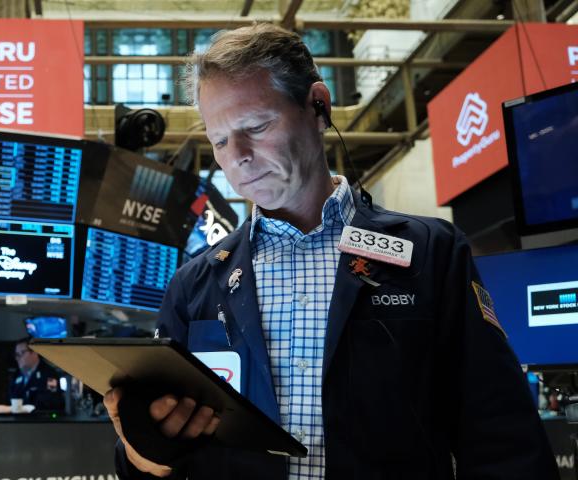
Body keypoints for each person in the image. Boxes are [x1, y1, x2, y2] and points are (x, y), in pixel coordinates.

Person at [104, 23, 558, 479]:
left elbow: (503, 438)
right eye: (219, 140)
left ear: (317, 106)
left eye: (256, 126)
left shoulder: (430, 254)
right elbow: (149, 461)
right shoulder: (195, 284)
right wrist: (141, 444)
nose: (237, 155)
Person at [9, 338, 65, 411]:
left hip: (41, 420)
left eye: (22, 353)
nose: (18, 358)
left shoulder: (49, 374)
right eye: (17, 354)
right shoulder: (16, 375)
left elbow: (51, 401)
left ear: (35, 353)